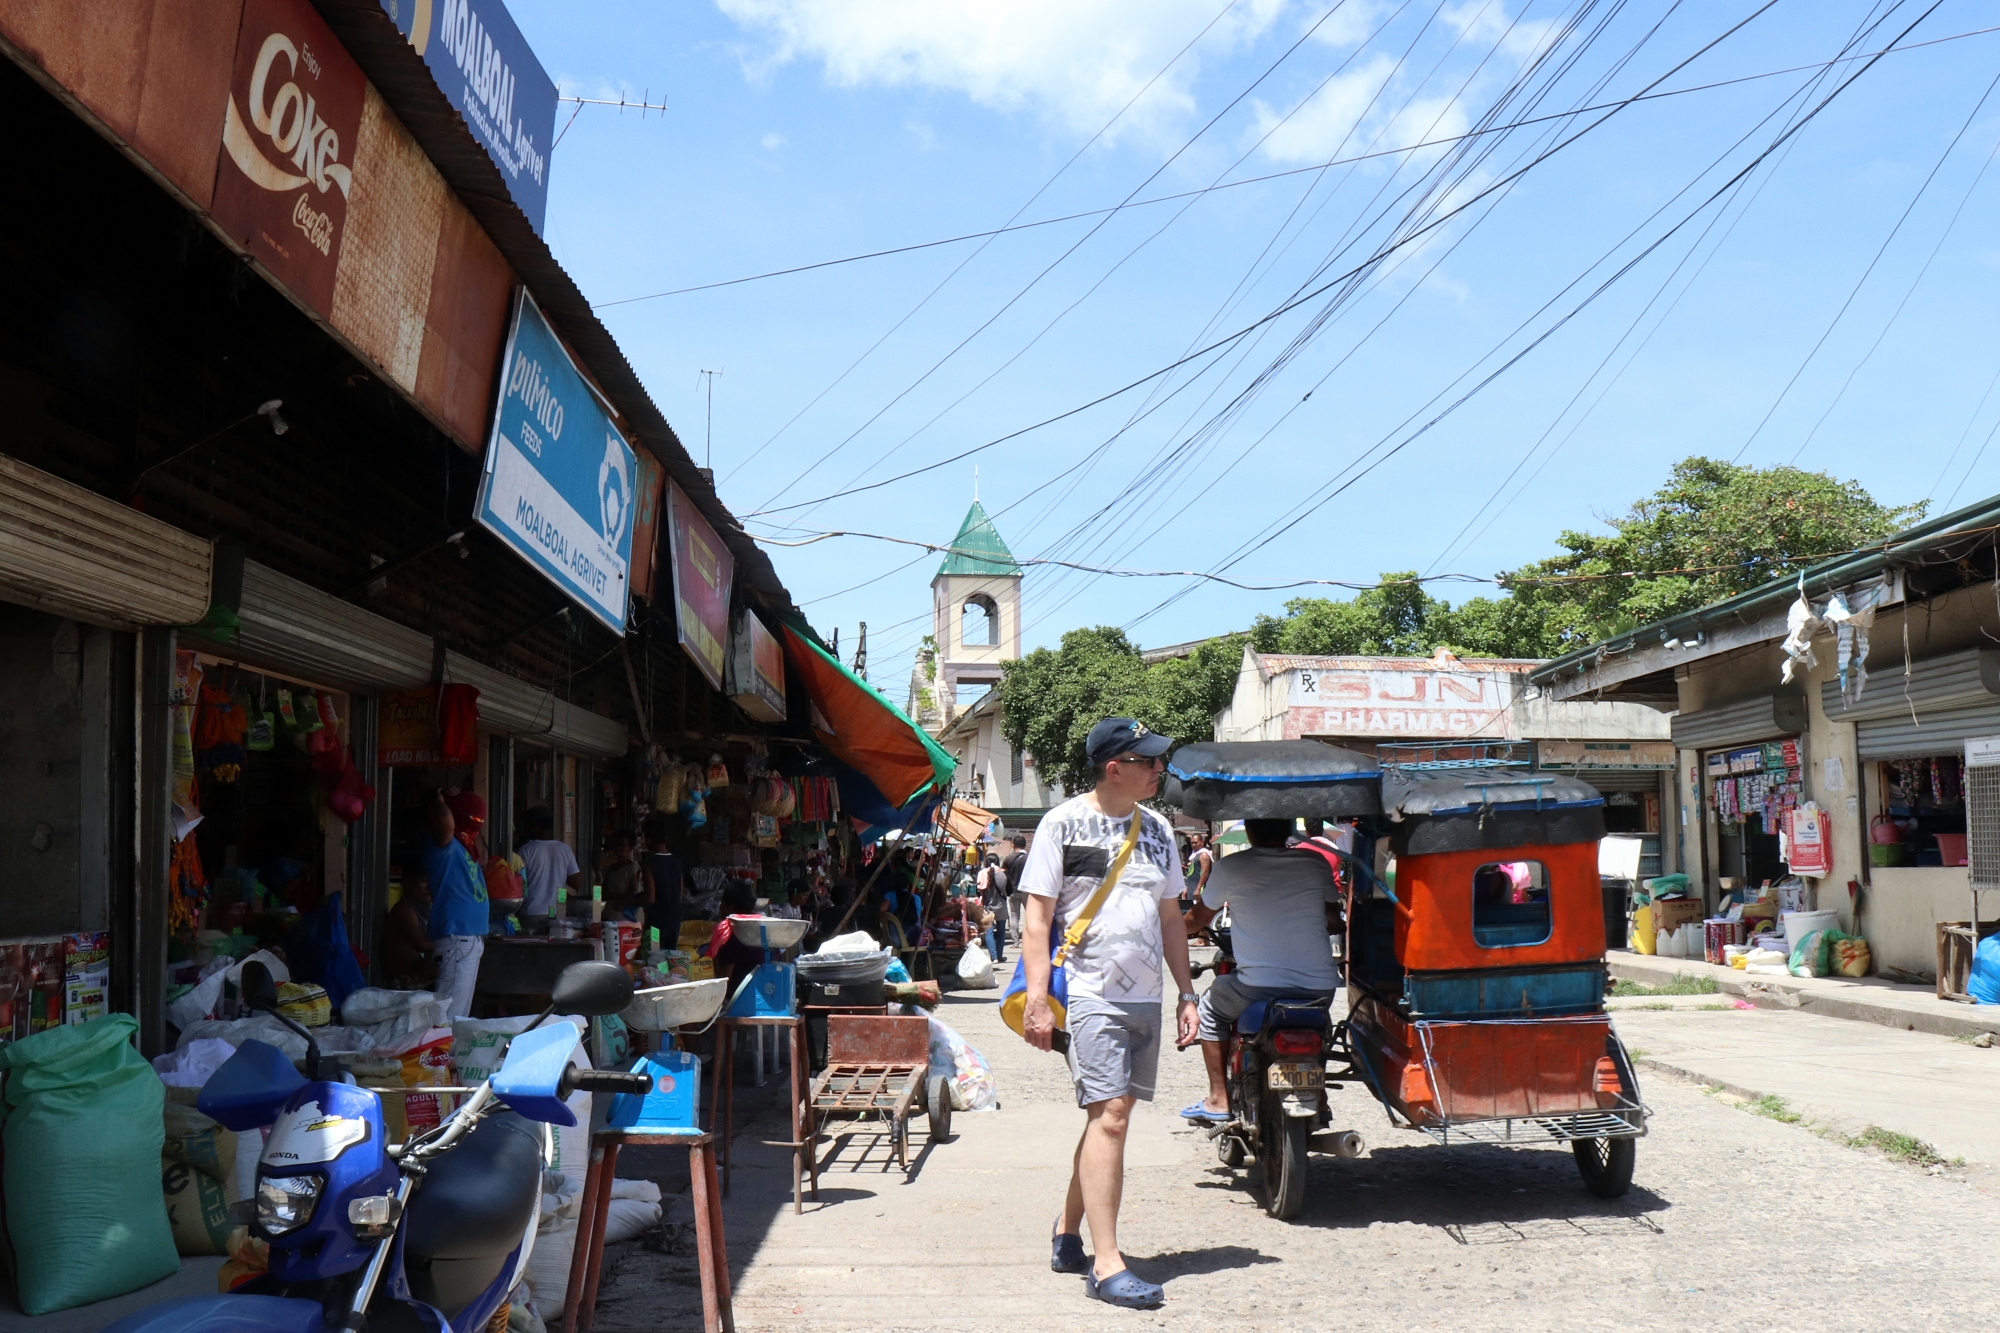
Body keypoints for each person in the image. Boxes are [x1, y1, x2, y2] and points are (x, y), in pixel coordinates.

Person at [1019, 718, 1196, 1311]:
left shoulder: (1161, 830)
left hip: (1145, 997)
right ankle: (1107, 1263)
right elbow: (1037, 921)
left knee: (1106, 1119)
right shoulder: (1061, 823)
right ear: (1113, 767)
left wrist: (1187, 993)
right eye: (1147, 761)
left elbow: (1171, 918)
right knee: (1112, 1115)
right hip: (1089, 995)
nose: (1158, 769)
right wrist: (1040, 1001)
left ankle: (1066, 1234)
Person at [1180, 818, 1341, 1122]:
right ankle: (1317, 1096)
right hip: (1320, 987)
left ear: (1250, 832)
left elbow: (1198, 918)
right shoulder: (1316, 862)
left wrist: (1170, 930)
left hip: (1257, 987)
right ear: (1289, 830)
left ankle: (1218, 1098)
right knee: (1318, 1022)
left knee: (1211, 1011)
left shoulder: (1231, 867)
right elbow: (1333, 918)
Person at [421, 787, 491, 1019]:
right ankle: (440, 1054)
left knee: (457, 1015)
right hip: (457, 938)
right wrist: (438, 799)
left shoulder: (464, 848)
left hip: (466, 939)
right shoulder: (444, 846)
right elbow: (445, 822)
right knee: (447, 1015)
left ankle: (447, 1054)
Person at [517, 805, 584, 931]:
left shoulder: (525, 851)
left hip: (531, 914)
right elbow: (577, 883)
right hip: (558, 914)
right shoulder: (565, 849)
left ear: (534, 826)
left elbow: (517, 885)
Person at [382, 856, 435, 989]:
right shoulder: (404, 910)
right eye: (423, 882)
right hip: (404, 980)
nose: (429, 887)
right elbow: (422, 945)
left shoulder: (424, 907)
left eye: (431, 881)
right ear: (406, 884)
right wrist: (451, 944)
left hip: (420, 974)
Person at [640, 817, 688, 954]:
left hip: (656, 925)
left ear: (648, 840)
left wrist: (626, 901)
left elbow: (650, 898)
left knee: (655, 958)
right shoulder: (677, 863)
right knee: (668, 958)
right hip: (674, 923)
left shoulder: (649, 865)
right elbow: (680, 894)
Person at [1001, 836, 1030, 967]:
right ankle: (1030, 940)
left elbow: (1003, 873)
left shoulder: (1008, 858)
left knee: (1014, 916)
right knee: (1031, 916)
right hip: (1027, 890)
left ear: (1013, 845)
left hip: (1012, 891)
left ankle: (1015, 942)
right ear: (1025, 845)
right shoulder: (1030, 858)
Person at [977, 853, 1009, 960]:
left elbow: (979, 890)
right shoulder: (1003, 874)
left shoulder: (982, 873)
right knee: (1001, 932)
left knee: (988, 932)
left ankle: (994, 957)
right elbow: (1009, 890)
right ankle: (999, 956)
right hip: (1001, 906)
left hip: (988, 907)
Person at [1181, 832, 1214, 913]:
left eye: (1195, 842)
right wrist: (1187, 888)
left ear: (1202, 842)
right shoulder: (1195, 855)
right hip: (1192, 889)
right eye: (1192, 843)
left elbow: (1205, 872)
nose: (1193, 845)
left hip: (1199, 890)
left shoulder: (1204, 855)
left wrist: (1198, 889)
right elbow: (1191, 873)